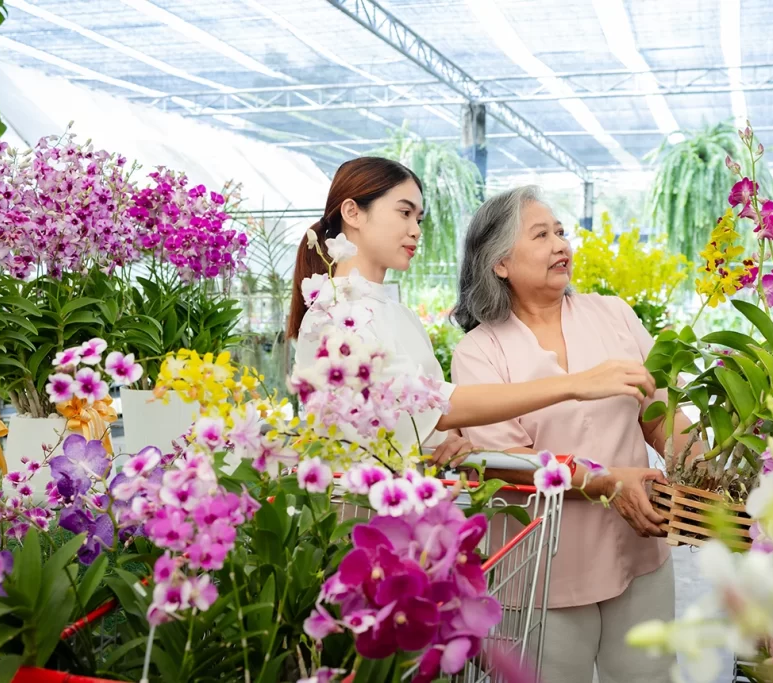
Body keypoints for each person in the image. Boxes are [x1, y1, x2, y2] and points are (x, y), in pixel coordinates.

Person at [450, 186, 697, 683]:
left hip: (639, 547)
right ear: (500, 263)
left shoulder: (612, 314)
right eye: (541, 235)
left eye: (561, 231)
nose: (561, 244)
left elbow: (657, 413)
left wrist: (703, 467)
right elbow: (504, 460)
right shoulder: (480, 351)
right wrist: (607, 481)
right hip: (544, 569)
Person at [287, 157, 659, 465]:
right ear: (353, 212)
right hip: (362, 508)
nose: (415, 230)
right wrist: (574, 385)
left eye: (419, 219)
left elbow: (429, 422)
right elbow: (433, 403)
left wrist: (451, 443)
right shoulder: (331, 315)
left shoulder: (398, 315)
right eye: (404, 213)